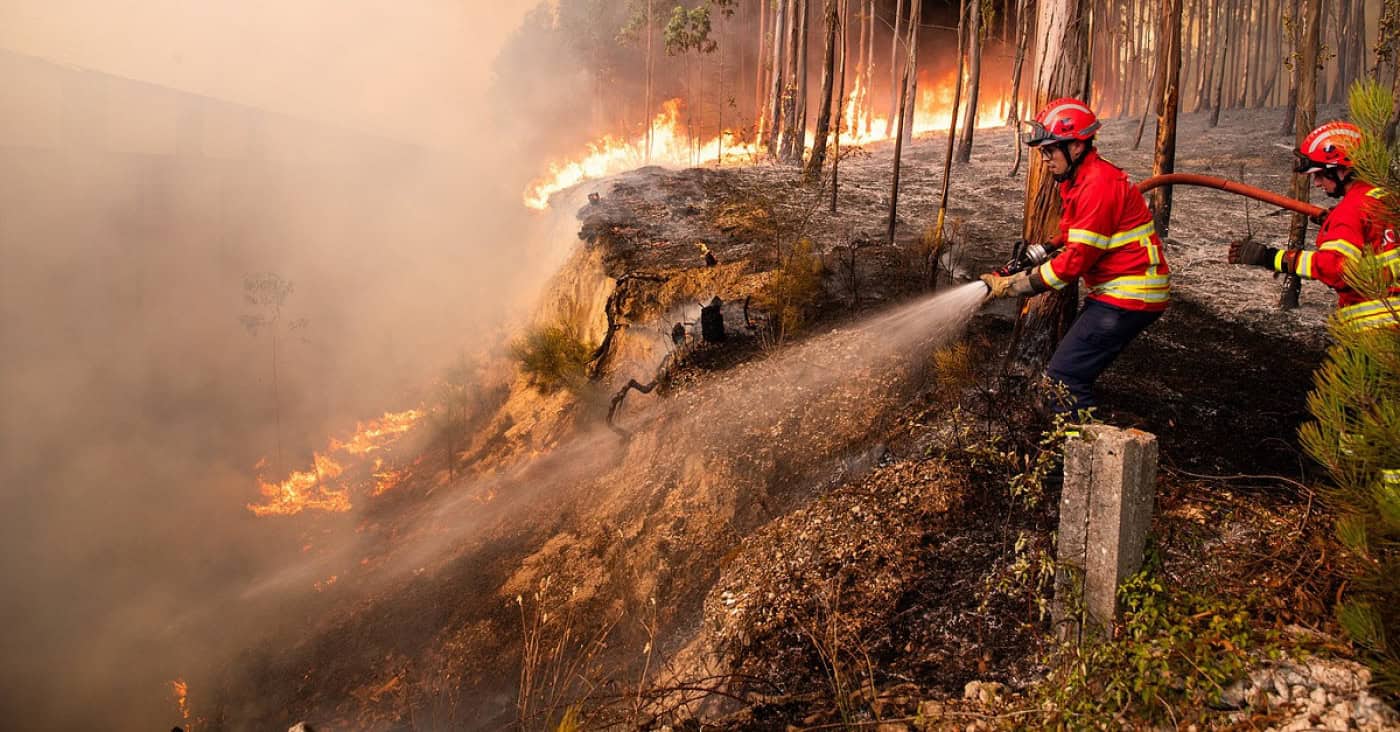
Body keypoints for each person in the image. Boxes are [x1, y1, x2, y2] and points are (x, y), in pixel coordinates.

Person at [980, 97, 1171, 413]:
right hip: (1119, 293)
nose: (1044, 159)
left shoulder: (1097, 185)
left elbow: (1073, 263)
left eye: (1050, 150)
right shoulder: (1081, 179)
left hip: (1129, 297)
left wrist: (1014, 286)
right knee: (1068, 372)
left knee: (1064, 381)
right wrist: (1036, 254)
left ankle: (1083, 453)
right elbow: (1072, 230)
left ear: (1077, 147)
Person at [1227, 121, 1400, 331]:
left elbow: (1333, 267)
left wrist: (1271, 257)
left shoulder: (1350, 211)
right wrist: (1333, 220)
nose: (1317, 183)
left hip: (1376, 331)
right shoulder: (1386, 199)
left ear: (1342, 171)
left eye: (1319, 174)